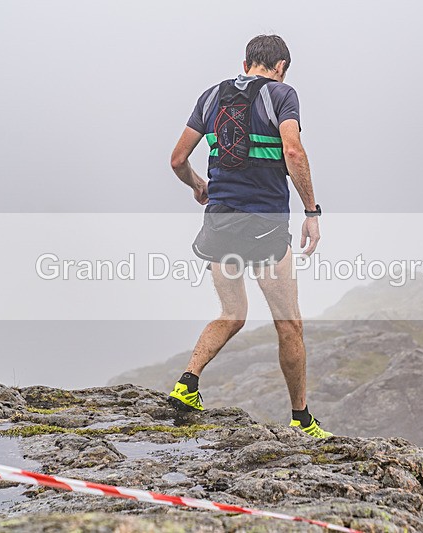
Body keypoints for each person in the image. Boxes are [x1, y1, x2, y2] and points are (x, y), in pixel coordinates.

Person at [167, 35, 331, 439]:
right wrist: (311, 212)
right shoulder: (281, 94)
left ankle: (187, 384)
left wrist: (197, 185)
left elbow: (176, 160)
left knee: (232, 313)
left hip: (219, 221)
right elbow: (293, 153)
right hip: (264, 224)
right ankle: (302, 419)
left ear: (245, 64)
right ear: (280, 67)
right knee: (289, 324)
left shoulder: (210, 97)